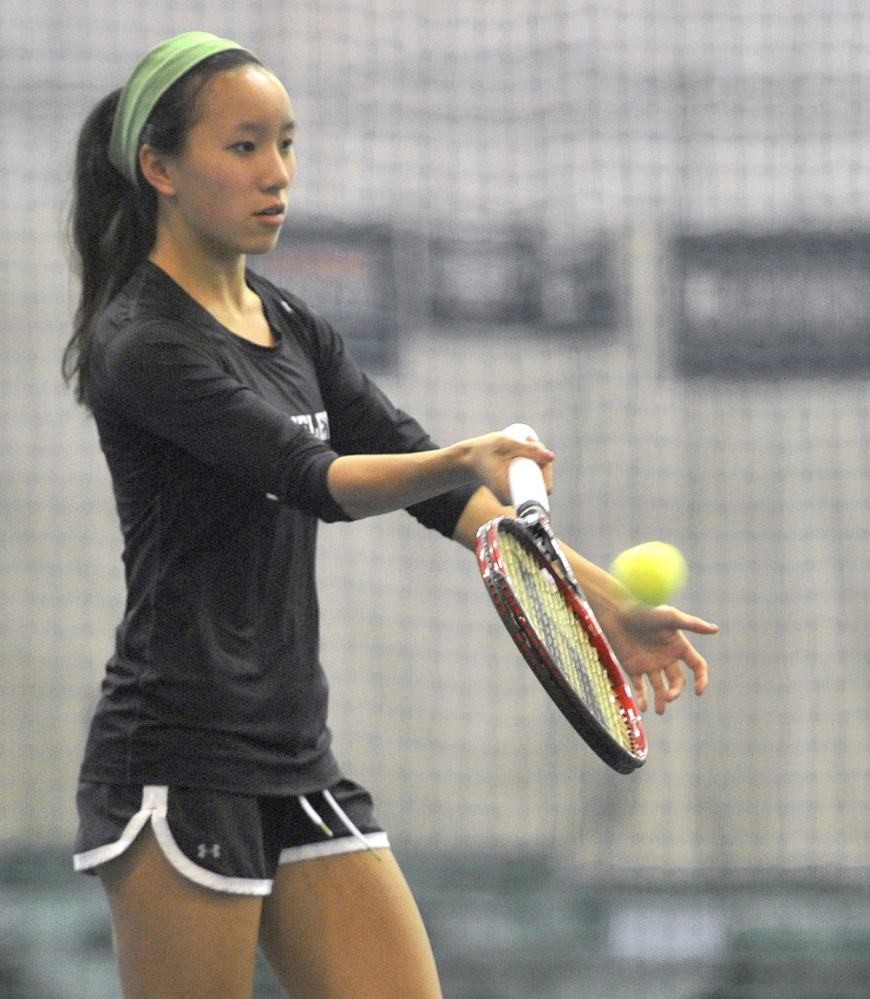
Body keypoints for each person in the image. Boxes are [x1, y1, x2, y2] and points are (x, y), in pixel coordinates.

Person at [62, 31, 718, 999]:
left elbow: (446, 494)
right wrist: (459, 452)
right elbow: (314, 477)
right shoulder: (141, 344)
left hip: (298, 759)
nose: (275, 173)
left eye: (285, 143)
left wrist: (608, 603)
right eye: (243, 147)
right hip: (176, 765)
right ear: (158, 166)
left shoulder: (291, 326)